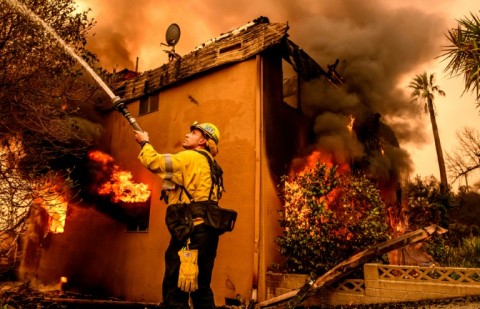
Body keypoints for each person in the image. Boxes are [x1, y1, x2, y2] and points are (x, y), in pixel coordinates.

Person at [134, 121, 224, 309]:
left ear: (204, 141)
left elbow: (155, 162)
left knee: (176, 284)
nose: (187, 135)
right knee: (201, 286)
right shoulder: (213, 166)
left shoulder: (190, 157)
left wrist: (145, 143)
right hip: (208, 233)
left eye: (194, 133)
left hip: (190, 232)